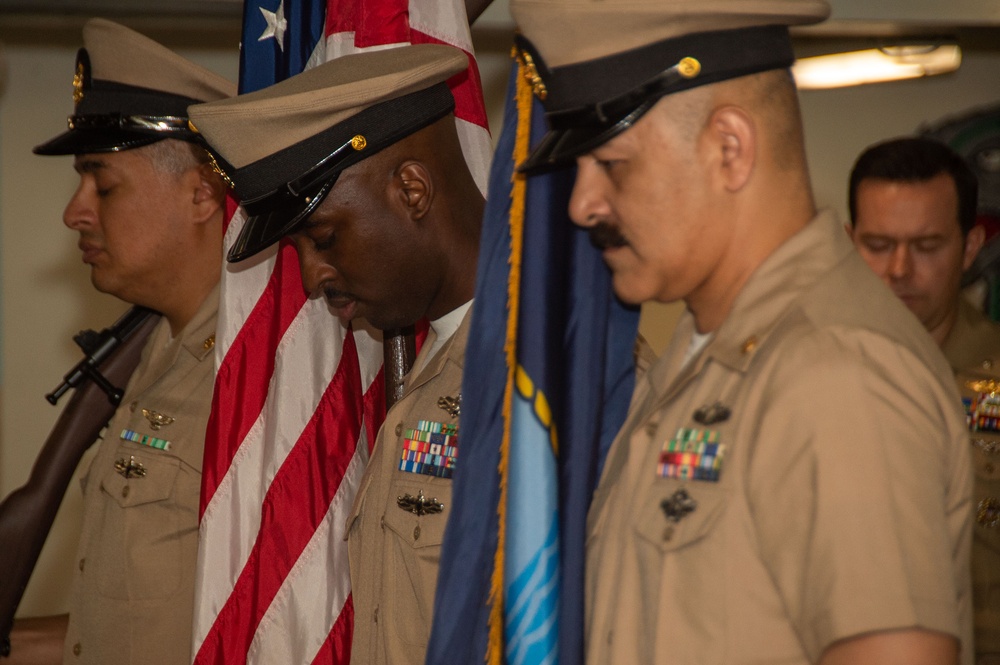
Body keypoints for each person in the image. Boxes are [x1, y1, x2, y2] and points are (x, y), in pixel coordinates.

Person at [509, 0, 974, 663]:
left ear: (730, 149)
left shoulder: (838, 374)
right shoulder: (701, 361)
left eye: (611, 164)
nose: (583, 204)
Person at [187, 44, 484, 665]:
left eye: (322, 238)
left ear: (411, 189)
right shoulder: (437, 372)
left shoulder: (551, 380)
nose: (315, 277)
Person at [8, 18, 233, 665]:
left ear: (202, 192)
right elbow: (146, 621)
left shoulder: (254, 374)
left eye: (103, 184)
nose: (74, 210)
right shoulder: (157, 349)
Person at [849, 136, 1000, 664]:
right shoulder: (806, 378)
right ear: (850, 243)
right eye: (878, 244)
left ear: (971, 247)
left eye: (927, 246)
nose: (899, 269)